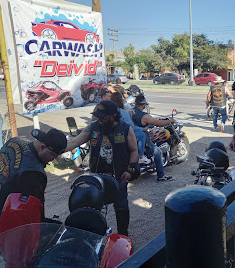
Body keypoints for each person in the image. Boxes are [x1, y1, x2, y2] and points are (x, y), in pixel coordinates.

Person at [66, 100, 139, 236]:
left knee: (121, 207)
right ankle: (95, 237)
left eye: (103, 117)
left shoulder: (125, 128)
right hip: (97, 178)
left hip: (119, 177)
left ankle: (123, 235)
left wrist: (130, 169)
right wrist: (55, 149)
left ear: (113, 116)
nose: (99, 120)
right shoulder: (93, 128)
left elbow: (134, 150)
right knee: (95, 208)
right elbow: (75, 141)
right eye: (98, 116)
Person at [0, 128, 67, 234]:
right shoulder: (33, 173)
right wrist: (54, 227)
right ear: (42, 147)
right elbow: (36, 215)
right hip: (2, 221)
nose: (54, 159)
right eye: (53, 155)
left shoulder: (15, 141)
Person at [131, 95, 173, 181]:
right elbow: (157, 123)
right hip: (143, 141)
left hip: (132, 138)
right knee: (158, 152)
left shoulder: (131, 111)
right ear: (143, 105)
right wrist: (170, 121)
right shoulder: (144, 115)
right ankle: (161, 175)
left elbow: (153, 121)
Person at [110, 92, 150, 165]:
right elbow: (131, 127)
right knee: (142, 135)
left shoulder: (110, 112)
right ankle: (141, 156)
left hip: (112, 135)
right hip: (123, 135)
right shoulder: (123, 112)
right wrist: (144, 129)